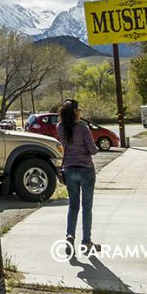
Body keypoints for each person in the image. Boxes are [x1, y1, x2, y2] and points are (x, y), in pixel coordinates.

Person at [58, 99, 100, 256]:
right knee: (86, 207)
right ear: (75, 112)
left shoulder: (60, 127)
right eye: (79, 109)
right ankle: (86, 241)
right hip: (86, 170)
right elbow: (93, 150)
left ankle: (70, 235)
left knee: (73, 206)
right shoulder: (83, 128)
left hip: (69, 169)